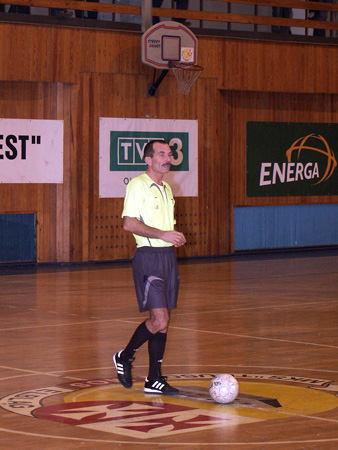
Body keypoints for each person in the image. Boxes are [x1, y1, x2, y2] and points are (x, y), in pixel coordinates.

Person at [113, 139, 186, 395]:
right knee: (159, 318)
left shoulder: (166, 188)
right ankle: (125, 355)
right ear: (148, 159)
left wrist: (173, 237)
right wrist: (162, 234)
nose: (167, 158)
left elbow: (163, 227)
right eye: (162, 154)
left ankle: (154, 378)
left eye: (169, 154)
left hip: (167, 258)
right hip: (149, 257)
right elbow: (129, 223)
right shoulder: (137, 185)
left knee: (164, 323)